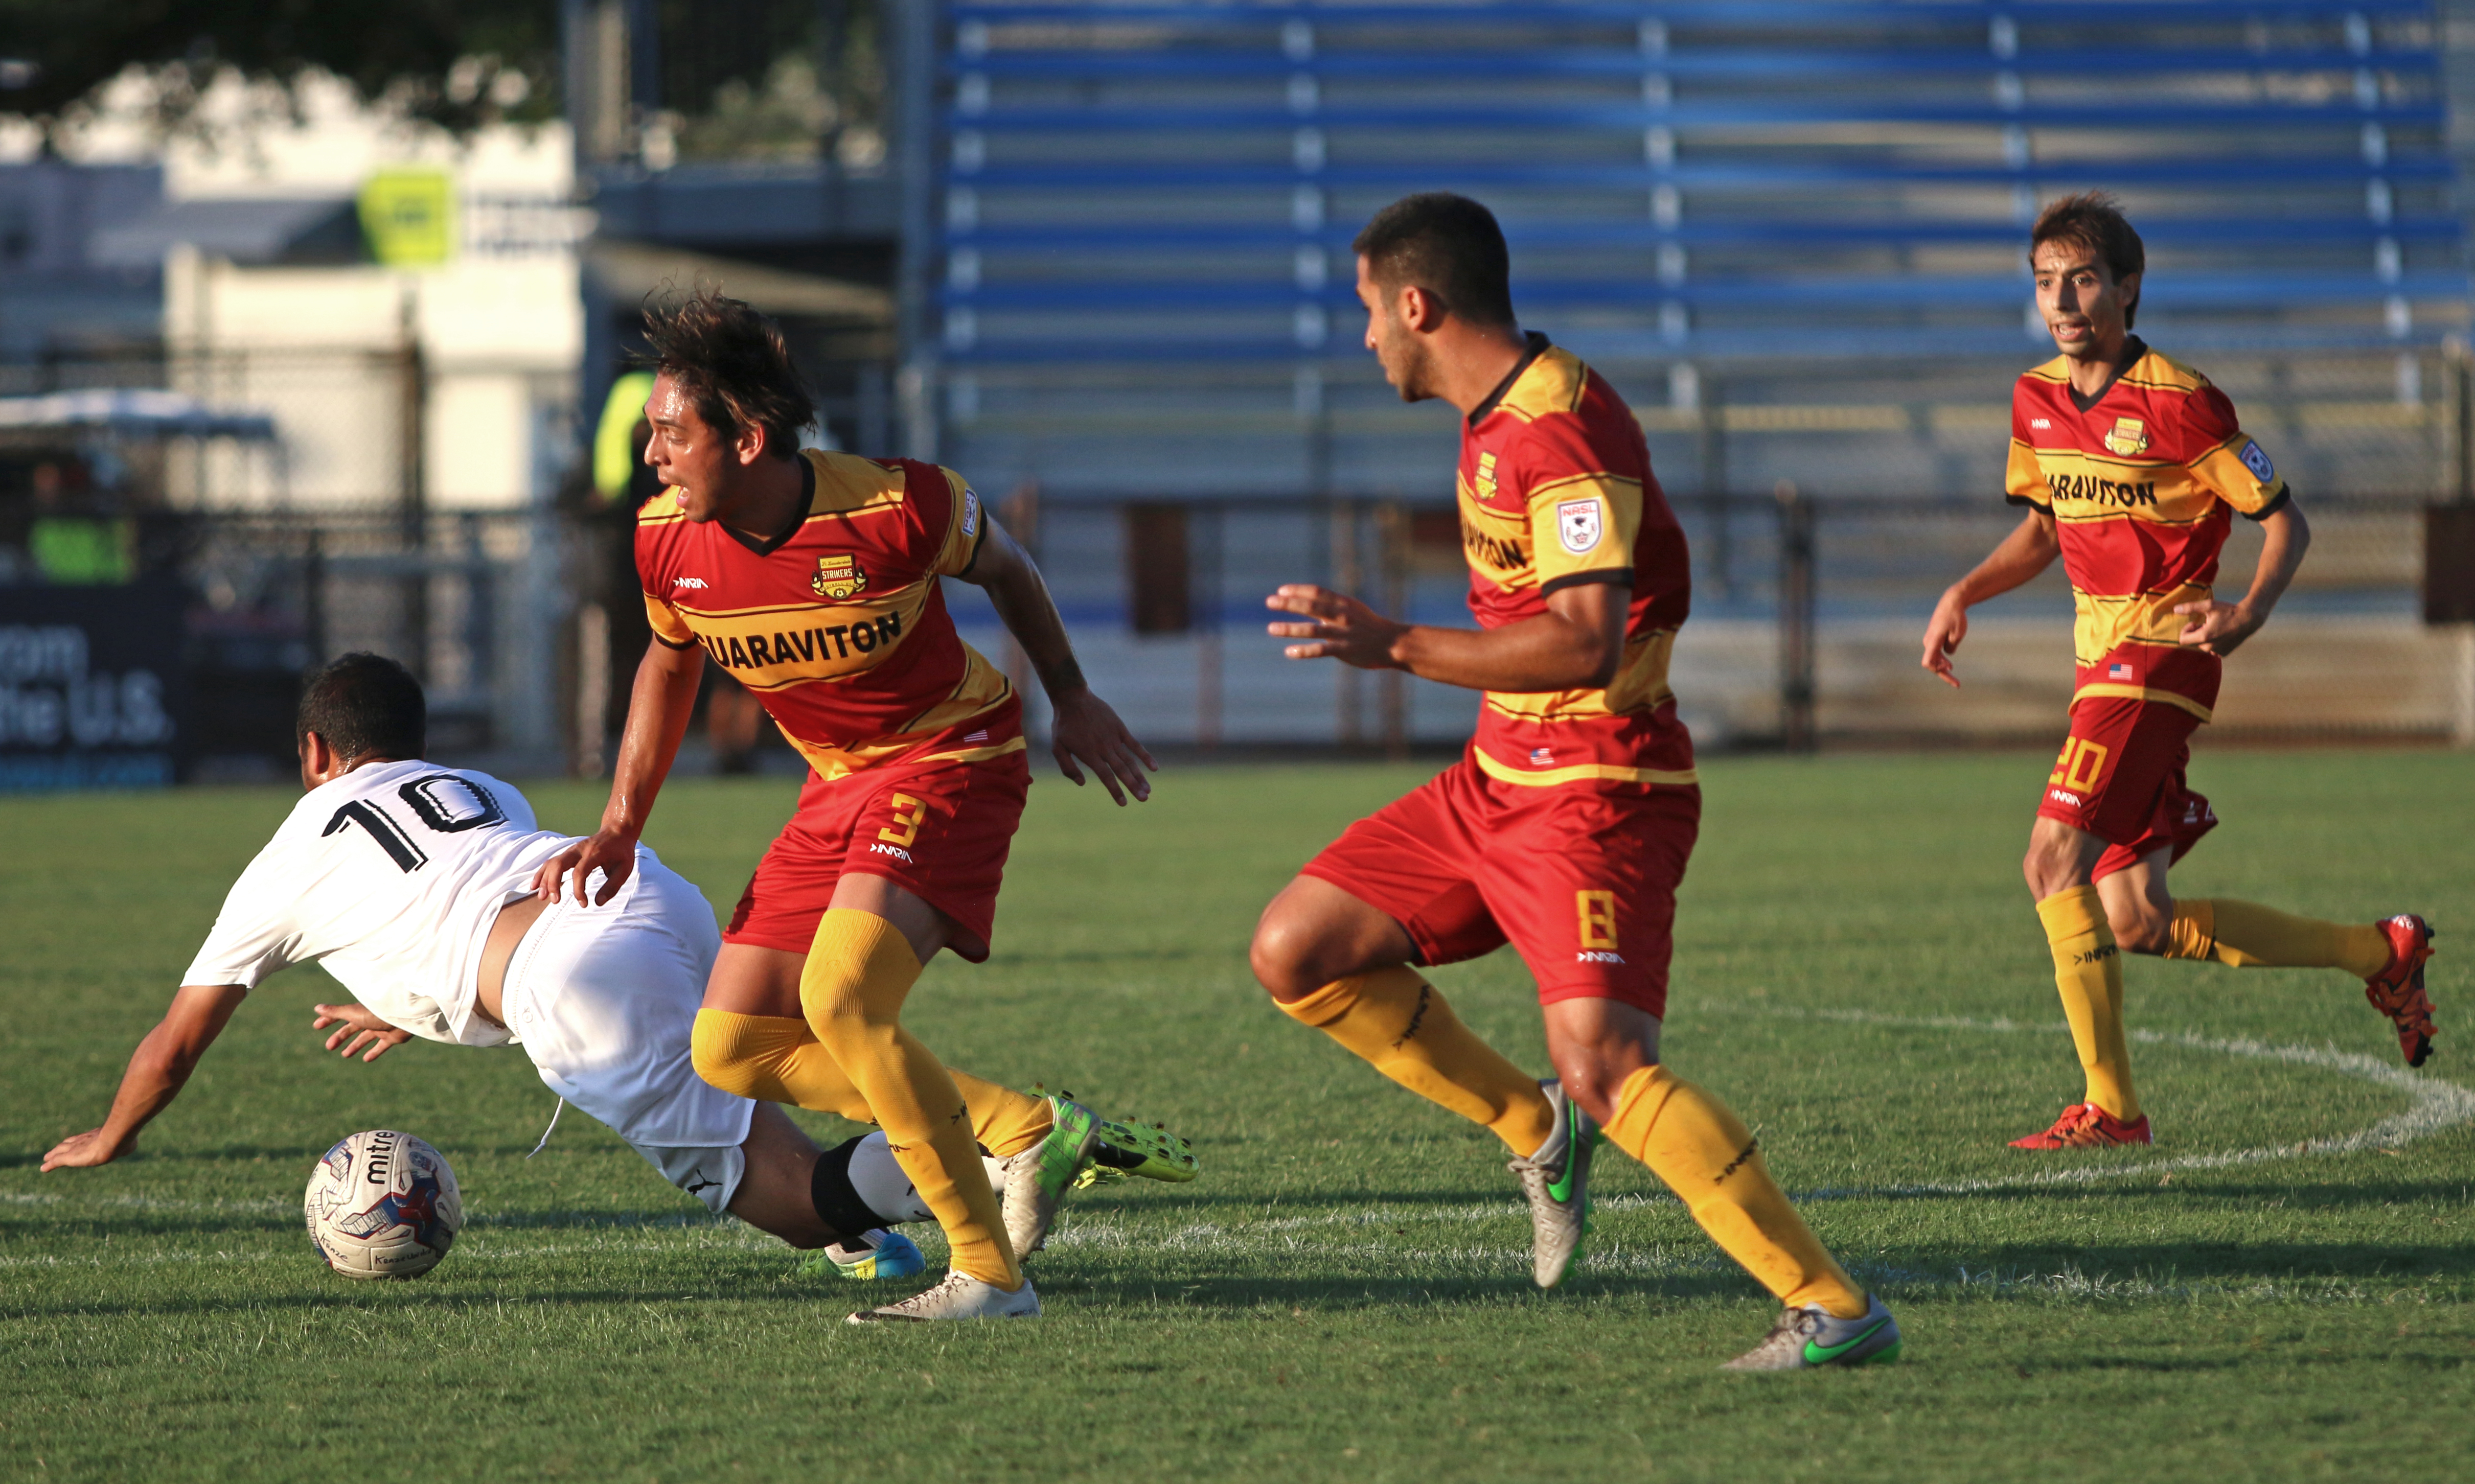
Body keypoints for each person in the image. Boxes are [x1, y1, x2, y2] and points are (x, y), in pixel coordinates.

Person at [1246, 193, 1899, 1372]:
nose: (1365, 343)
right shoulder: (1501, 415)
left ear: (1415, 304)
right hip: (1498, 774)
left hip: (1601, 789)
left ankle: (1834, 1310)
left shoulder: (1554, 433)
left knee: (1611, 1067)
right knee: (1298, 947)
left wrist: (1392, 642)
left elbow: (1585, 641)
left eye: (1366, 315)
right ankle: (1528, 1125)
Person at [41, 654, 1185, 1277]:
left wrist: (114, 1136)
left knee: (785, 1201)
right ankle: (905, 1214)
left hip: (574, 986)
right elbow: (471, 897)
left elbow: (177, 1040)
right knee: (757, 1065)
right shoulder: (482, 790)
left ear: (312, 756)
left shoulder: (289, 852)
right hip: (644, 894)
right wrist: (413, 1003)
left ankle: (997, 1148)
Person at [535, 292, 1163, 1325]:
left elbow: (1007, 567)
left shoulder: (897, 506)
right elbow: (667, 662)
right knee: (730, 1046)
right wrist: (620, 823)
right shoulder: (664, 543)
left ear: (744, 438)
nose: (651, 454)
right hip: (835, 783)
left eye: (670, 433)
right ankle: (1024, 1127)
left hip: (951, 758)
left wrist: (1073, 693)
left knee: (841, 1000)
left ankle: (992, 1278)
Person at [1923, 193, 2437, 1150]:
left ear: (2125, 287)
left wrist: (2246, 613)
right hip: (2098, 668)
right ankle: (2382, 952)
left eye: (2081, 279)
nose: (2062, 300)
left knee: (2048, 862)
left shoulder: (2182, 399)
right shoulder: (2032, 399)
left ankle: (2110, 1110)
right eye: (2045, 282)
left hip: (2159, 654)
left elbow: (2286, 519)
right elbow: (2043, 529)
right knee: (2135, 918)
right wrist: (1964, 591)